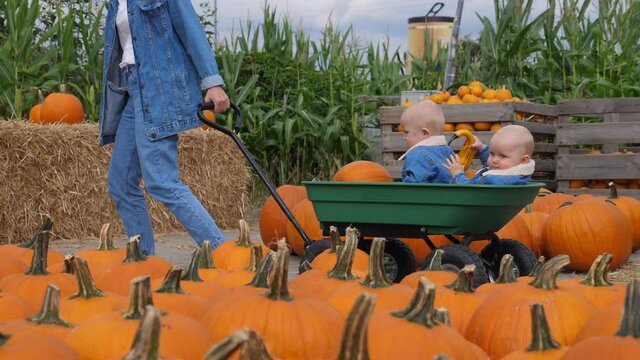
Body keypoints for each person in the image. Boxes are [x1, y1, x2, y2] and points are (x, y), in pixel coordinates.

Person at [99, 0, 230, 255]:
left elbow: (192, 31)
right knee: (121, 182)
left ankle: (224, 254)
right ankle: (144, 261)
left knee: (161, 181)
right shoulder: (116, 4)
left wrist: (212, 82)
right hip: (132, 91)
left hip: (158, 91)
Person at [444, 125, 535, 185]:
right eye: (492, 153)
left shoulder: (492, 180)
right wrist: (482, 148)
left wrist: (457, 174)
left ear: (523, 160)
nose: (494, 160)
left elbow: (468, 191)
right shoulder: (518, 174)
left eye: (503, 156)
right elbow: (491, 167)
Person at [399, 101, 455, 183]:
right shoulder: (448, 151)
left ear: (424, 133)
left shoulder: (417, 155)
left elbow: (412, 187)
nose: (404, 138)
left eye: (407, 132)